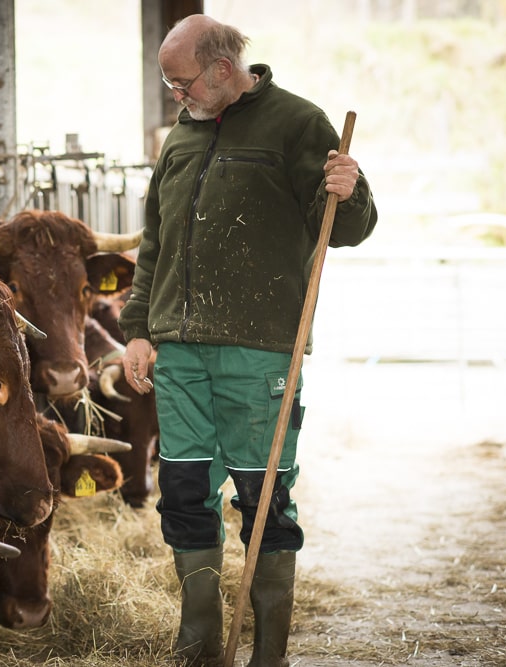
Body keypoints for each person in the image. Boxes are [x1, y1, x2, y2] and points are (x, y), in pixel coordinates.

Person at [119, 14, 377, 667]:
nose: (176, 96)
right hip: (177, 347)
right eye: (170, 86)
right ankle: (200, 642)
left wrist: (351, 193)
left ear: (222, 70)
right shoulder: (181, 137)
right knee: (181, 491)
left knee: (265, 496)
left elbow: (346, 227)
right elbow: (156, 242)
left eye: (181, 84)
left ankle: (271, 653)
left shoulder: (297, 124)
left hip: (259, 349)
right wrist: (138, 329)